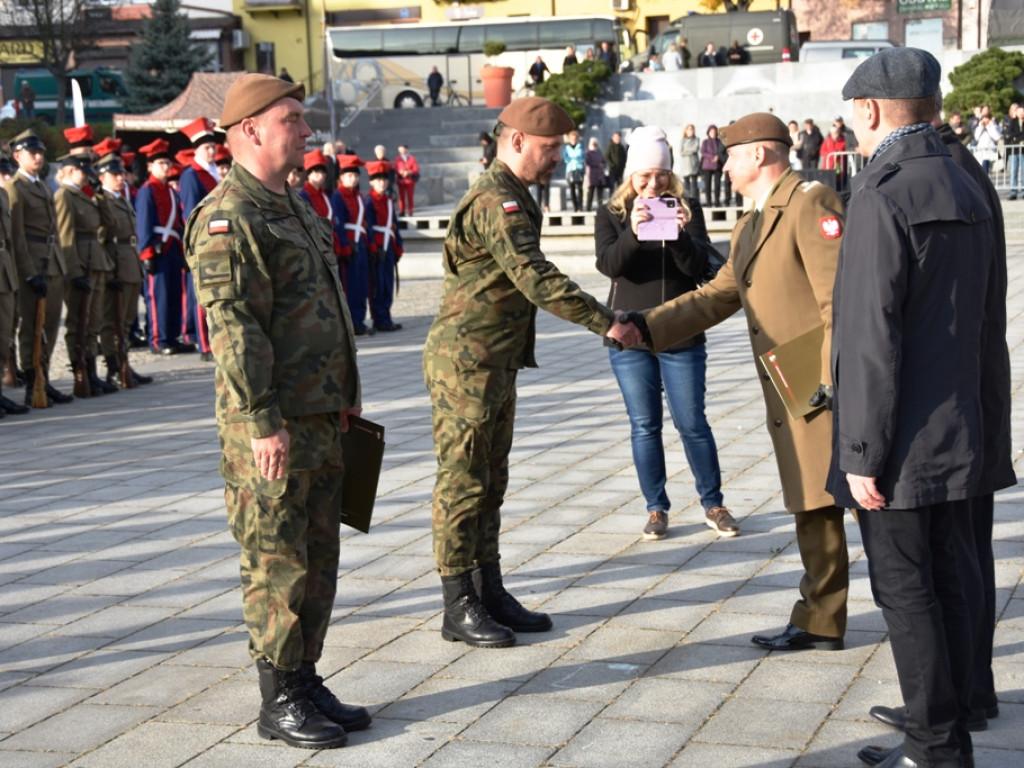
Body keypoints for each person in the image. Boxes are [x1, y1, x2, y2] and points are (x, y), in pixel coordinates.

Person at [826, 48, 1012, 768]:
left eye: (853, 114)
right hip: (964, 426)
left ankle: (935, 747)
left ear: (871, 111)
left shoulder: (883, 191)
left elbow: (873, 335)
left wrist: (861, 454)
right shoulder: (971, 182)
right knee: (953, 577)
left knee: (907, 592)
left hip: (901, 440)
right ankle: (955, 714)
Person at [608, 113, 850, 653]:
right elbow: (718, 294)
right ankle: (821, 618)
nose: (723, 163)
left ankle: (905, 620)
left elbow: (840, 301)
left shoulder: (809, 202)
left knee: (851, 500)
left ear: (759, 155)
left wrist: (831, 379)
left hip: (817, 379)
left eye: (732, 155)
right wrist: (646, 325)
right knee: (813, 500)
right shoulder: (752, 221)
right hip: (792, 379)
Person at [183, 72, 371, 751]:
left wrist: (347, 392)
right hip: (273, 424)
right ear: (251, 131)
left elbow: (327, 314)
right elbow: (235, 332)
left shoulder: (296, 207)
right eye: (292, 118)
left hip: (322, 415)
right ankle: (278, 697)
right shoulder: (229, 217)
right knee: (276, 558)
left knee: (320, 553)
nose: (305, 127)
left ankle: (306, 675)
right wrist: (262, 421)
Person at [423, 97, 627, 649]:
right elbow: (533, 276)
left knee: (491, 482)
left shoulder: (514, 194)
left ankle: (488, 588)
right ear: (514, 141)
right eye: (549, 148)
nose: (558, 157)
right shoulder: (496, 200)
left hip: (493, 360)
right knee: (463, 484)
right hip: (466, 363)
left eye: (560, 147)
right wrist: (606, 322)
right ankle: (457, 603)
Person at [596, 125, 737, 542]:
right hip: (629, 333)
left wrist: (676, 235)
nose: (653, 184)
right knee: (644, 425)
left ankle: (713, 502)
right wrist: (633, 233)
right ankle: (656, 508)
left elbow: (698, 270)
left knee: (693, 422)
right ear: (630, 176)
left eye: (660, 175)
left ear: (671, 173)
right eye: (643, 176)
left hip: (681, 329)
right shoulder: (612, 213)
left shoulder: (687, 208)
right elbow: (609, 265)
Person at [6, 130, 72, 407]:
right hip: (32, 263)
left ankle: (44, 378)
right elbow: (16, 236)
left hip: (52, 260)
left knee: (50, 325)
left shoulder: (44, 187)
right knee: (32, 326)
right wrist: (29, 271)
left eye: (40, 152)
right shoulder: (14, 188)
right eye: (32, 153)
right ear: (17, 156)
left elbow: (54, 230)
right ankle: (32, 382)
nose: (38, 156)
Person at [55, 151, 118, 397]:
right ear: (71, 170)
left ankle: (92, 372)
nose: (88, 178)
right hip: (81, 264)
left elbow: (109, 224)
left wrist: (99, 195)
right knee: (78, 322)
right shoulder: (64, 196)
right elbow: (65, 237)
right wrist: (73, 271)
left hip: (97, 261)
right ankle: (80, 371)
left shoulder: (85, 196)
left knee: (93, 321)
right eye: (84, 172)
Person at [94, 152, 153, 388]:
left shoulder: (121, 198)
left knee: (127, 320)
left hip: (130, 262)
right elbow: (101, 239)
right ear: (102, 177)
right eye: (115, 174)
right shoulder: (102, 202)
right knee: (112, 321)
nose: (121, 178)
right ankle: (113, 367)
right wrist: (109, 270)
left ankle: (125, 361)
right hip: (116, 263)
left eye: (122, 174)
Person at [136, 138, 191, 356]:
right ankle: (158, 340)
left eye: (167, 163)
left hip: (173, 249)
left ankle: (173, 336)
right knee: (159, 297)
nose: (165, 168)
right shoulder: (146, 191)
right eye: (160, 164)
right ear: (150, 166)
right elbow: (144, 224)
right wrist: (147, 253)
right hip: (157, 250)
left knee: (174, 295)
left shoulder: (170, 191)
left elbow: (178, 222)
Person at [178, 116, 220, 362]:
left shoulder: (213, 172)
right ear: (196, 150)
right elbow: (191, 214)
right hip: (203, 241)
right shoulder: (192, 175)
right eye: (206, 147)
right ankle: (204, 344)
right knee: (201, 295)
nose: (212, 150)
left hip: (217, 240)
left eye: (213, 146)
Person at [333, 155, 373, 335]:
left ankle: (360, 319)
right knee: (349, 286)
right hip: (349, 244)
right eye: (349, 175)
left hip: (361, 244)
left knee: (361, 285)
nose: (353, 179)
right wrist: (344, 245)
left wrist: (370, 243)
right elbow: (337, 223)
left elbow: (364, 221)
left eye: (356, 176)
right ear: (341, 177)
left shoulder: (358, 196)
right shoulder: (337, 196)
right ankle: (350, 323)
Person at [0, 164, 28, 416]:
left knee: (4, 333)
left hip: (4, 268)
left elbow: (12, 238)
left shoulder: (3, 194)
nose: (6, 175)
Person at [365, 159, 403, 332]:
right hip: (378, 246)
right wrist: (373, 245)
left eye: (384, 179)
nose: (382, 182)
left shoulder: (388, 201)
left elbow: (394, 225)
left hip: (389, 245)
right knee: (377, 284)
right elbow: (369, 225)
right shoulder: (369, 201)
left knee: (388, 283)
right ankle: (379, 318)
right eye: (378, 179)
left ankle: (386, 316)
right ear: (371, 182)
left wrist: (398, 246)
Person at [699, 125, 724, 207]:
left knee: (717, 184)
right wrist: (711, 157)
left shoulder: (720, 141)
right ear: (708, 133)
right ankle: (708, 202)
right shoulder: (705, 142)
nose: (713, 133)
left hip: (718, 165)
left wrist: (718, 157)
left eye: (714, 131)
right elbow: (703, 151)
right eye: (711, 131)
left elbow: (722, 150)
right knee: (708, 185)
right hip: (707, 166)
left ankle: (717, 201)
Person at [973, 105, 1001, 174]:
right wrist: (981, 127)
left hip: (990, 151)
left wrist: (990, 127)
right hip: (981, 151)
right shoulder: (979, 127)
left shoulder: (994, 126)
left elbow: (997, 137)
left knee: (986, 170)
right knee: (982, 170)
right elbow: (976, 137)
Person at [1004, 102, 1024, 198]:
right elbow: (1011, 133)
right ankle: (1013, 191)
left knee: (1023, 171)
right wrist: (1018, 137)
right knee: (1013, 171)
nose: (1021, 114)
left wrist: (1017, 137)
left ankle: (1023, 191)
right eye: (1019, 112)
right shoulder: (1013, 121)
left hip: (1022, 150)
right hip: (1013, 150)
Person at [562, 129, 584, 212]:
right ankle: (575, 207)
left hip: (578, 169)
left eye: (575, 138)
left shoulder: (580, 146)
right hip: (570, 169)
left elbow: (582, 157)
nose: (573, 140)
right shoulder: (567, 148)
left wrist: (574, 159)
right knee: (572, 188)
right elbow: (565, 158)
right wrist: (572, 159)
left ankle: (580, 207)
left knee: (580, 188)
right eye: (572, 139)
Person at [394, 144, 419, 216]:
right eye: (400, 149)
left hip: (410, 180)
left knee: (410, 196)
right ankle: (402, 211)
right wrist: (400, 172)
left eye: (402, 149)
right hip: (401, 180)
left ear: (406, 149)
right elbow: (395, 168)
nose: (401, 150)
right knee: (401, 197)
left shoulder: (411, 158)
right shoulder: (397, 158)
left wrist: (409, 172)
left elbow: (415, 169)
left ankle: (410, 211)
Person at [821, 123, 848, 188]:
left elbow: (846, 152)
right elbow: (822, 152)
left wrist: (839, 154)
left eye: (837, 132)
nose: (836, 134)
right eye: (834, 133)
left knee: (839, 185)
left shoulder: (843, 141)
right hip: (828, 167)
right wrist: (831, 155)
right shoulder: (827, 141)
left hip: (839, 167)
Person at [583, 136, 606, 211]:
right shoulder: (588, 152)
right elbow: (587, 162)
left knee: (600, 193)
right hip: (592, 174)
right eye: (593, 144)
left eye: (596, 144)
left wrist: (602, 164)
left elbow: (603, 160)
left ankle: (600, 207)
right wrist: (597, 164)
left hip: (599, 174)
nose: (594, 145)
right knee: (591, 192)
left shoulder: (599, 151)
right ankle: (588, 207)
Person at [678, 124, 700, 198]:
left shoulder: (696, 139)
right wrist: (690, 150)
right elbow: (681, 152)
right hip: (685, 164)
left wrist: (686, 150)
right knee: (686, 183)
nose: (691, 131)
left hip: (693, 164)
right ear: (686, 131)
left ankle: (694, 198)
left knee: (694, 183)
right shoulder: (683, 140)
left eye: (692, 129)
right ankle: (687, 198)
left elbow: (695, 149)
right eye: (689, 129)